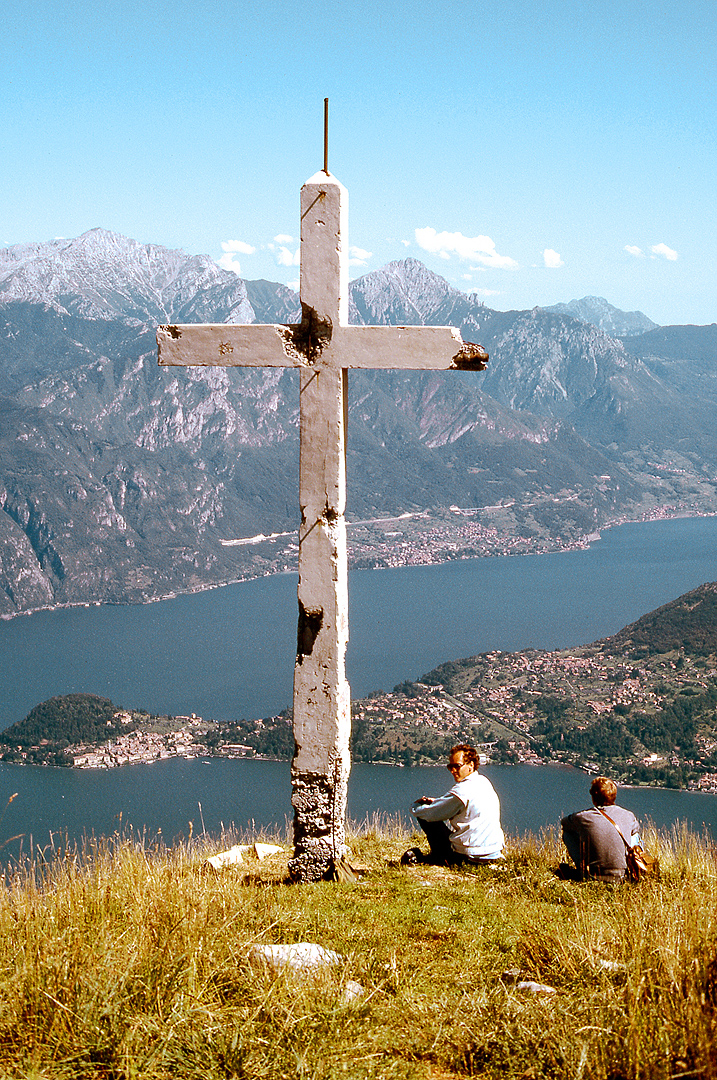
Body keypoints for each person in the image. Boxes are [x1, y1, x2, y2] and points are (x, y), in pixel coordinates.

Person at [405, 743, 505, 866]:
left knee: (425, 816)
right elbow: (456, 804)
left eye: (457, 766)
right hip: (493, 853)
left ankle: (439, 857)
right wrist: (436, 803)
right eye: (450, 766)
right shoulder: (483, 781)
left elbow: (430, 814)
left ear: (471, 765)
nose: (452, 770)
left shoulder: (462, 790)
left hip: (469, 857)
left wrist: (415, 806)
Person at [559, 776, 640, 882]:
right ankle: (633, 868)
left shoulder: (583, 817)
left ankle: (581, 867)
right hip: (622, 877)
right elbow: (635, 831)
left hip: (592, 875)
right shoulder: (628, 815)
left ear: (593, 797)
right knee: (634, 834)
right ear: (614, 796)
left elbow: (564, 823)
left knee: (567, 833)